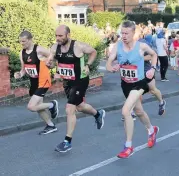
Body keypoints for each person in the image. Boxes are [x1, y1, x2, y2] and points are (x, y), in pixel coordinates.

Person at [47, 25, 106, 153]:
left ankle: (67, 141)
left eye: (60, 36)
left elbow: (93, 52)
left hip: (80, 81)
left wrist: (88, 65)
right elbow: (52, 63)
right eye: (56, 36)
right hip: (67, 82)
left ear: (68, 35)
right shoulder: (54, 47)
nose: (58, 38)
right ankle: (98, 114)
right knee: (79, 106)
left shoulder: (78, 46)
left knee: (69, 109)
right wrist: (49, 64)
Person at [106, 21, 159, 158]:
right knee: (139, 111)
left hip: (139, 83)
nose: (123, 36)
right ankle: (151, 130)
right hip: (126, 84)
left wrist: (152, 69)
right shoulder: (117, 47)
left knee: (125, 111)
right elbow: (109, 62)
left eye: (126, 33)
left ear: (133, 33)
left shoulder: (141, 46)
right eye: (122, 33)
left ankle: (128, 146)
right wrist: (111, 67)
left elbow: (154, 55)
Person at [14, 31, 59, 135]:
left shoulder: (39, 49)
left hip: (43, 81)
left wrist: (52, 65)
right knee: (39, 107)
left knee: (31, 106)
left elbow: (54, 59)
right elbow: (23, 69)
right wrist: (19, 74)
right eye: (20, 41)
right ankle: (50, 126)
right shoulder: (22, 53)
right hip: (33, 82)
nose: (22, 43)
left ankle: (52, 105)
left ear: (30, 40)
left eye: (24, 41)